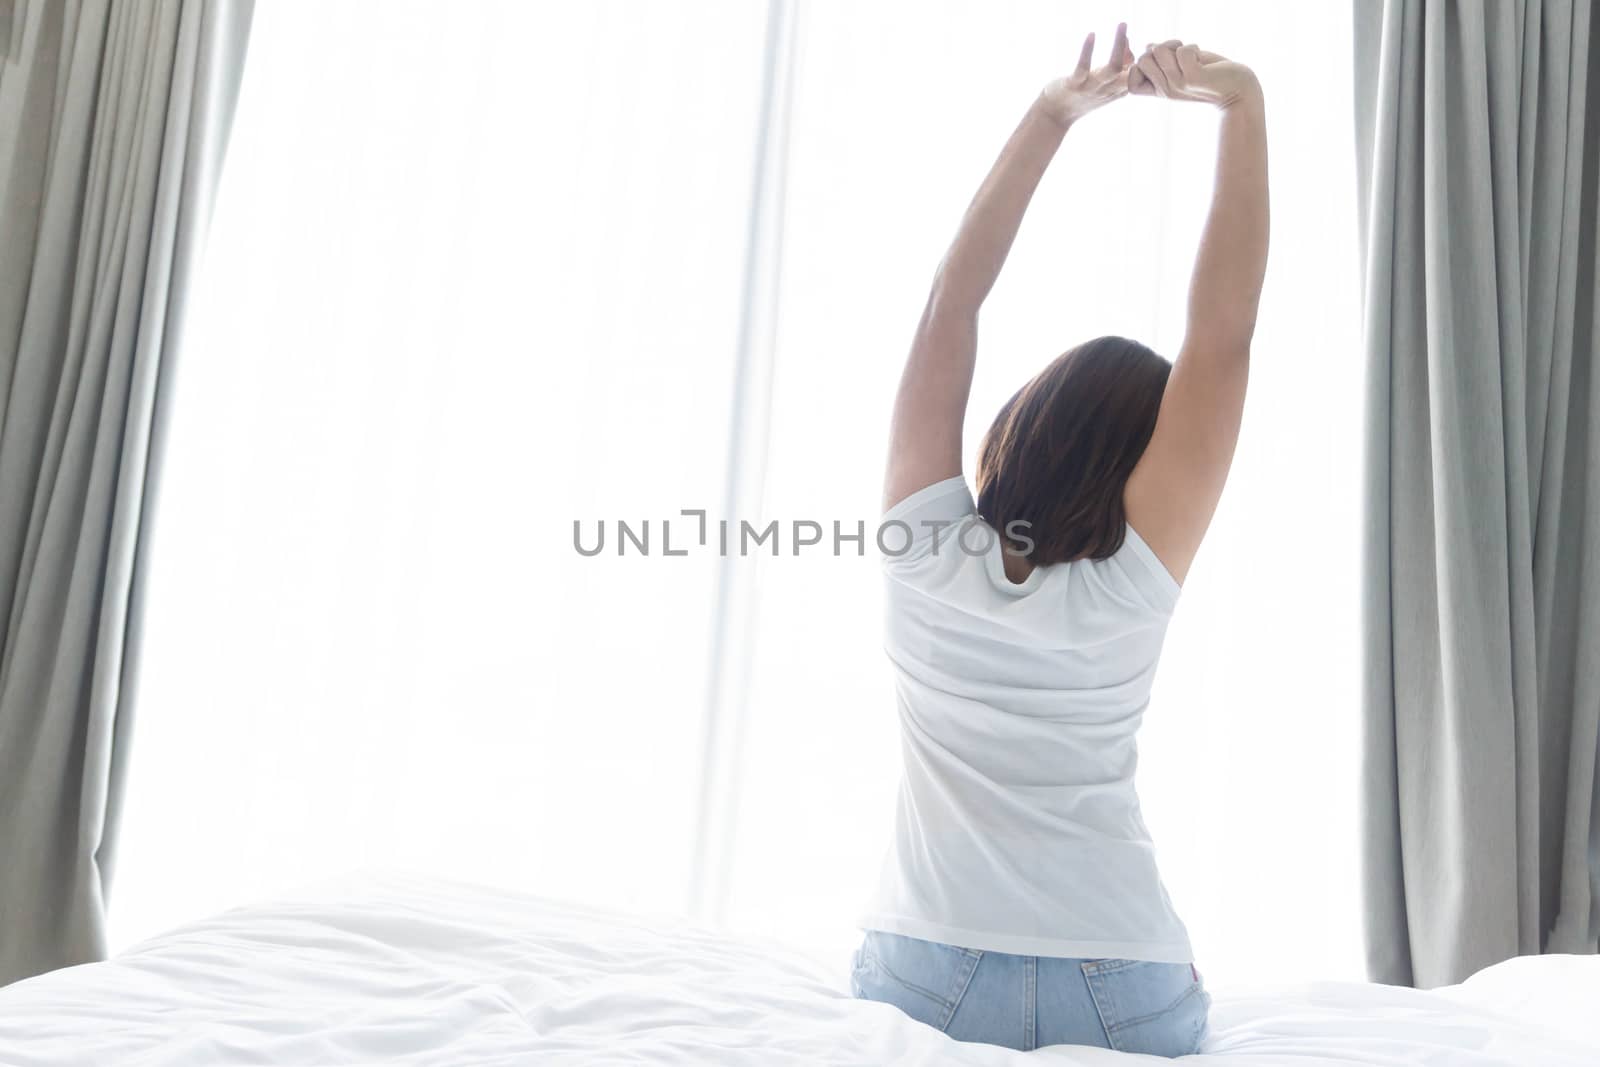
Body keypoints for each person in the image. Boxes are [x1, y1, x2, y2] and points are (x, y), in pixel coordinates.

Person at [849, 23, 1270, 1057]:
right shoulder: (1137, 575)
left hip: (922, 967)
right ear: (1142, 458)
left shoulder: (922, 552)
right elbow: (1221, 334)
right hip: (1116, 973)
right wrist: (1242, 103)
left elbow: (955, 297)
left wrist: (1050, 117)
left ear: (1025, 419)